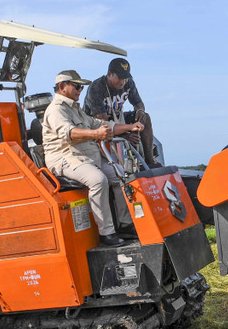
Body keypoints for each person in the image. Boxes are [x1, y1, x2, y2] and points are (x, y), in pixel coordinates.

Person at [42, 70, 144, 246]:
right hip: (66, 159)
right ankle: (107, 233)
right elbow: (70, 133)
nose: (80, 90)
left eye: (81, 87)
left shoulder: (75, 109)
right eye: (77, 86)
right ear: (62, 86)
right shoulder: (56, 110)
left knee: (121, 174)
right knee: (98, 180)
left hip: (86, 158)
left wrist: (130, 127)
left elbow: (103, 125)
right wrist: (96, 134)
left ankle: (126, 225)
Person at [84, 58, 159, 167]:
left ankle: (149, 160)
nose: (123, 82)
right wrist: (125, 135)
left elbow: (138, 102)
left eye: (125, 78)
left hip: (117, 118)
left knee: (145, 118)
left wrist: (140, 111)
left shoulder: (128, 83)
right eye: (120, 78)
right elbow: (102, 121)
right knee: (105, 126)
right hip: (95, 125)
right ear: (110, 74)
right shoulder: (96, 88)